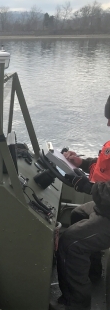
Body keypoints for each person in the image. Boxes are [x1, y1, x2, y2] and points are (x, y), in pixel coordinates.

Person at [53, 96, 110, 310]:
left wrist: (85, 186)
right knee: (77, 214)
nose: (108, 124)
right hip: (104, 208)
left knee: (69, 243)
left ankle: (76, 303)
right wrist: (81, 163)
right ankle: (92, 275)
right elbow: (104, 171)